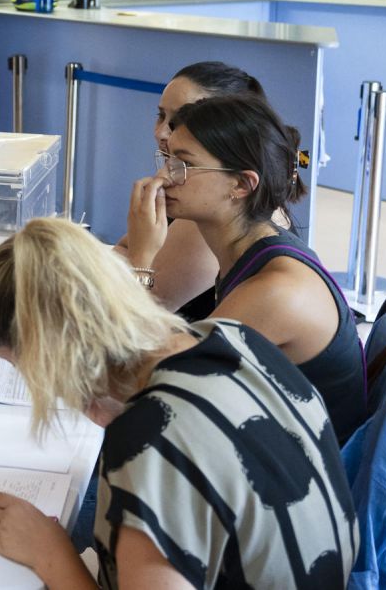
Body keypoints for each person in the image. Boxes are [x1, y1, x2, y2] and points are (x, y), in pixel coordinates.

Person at [0, 217, 357, 589]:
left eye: (21, 365)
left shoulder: (146, 442)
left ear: (51, 354)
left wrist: (48, 552)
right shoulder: (233, 338)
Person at [128, 93, 366, 443]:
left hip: (300, 486)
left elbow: (150, 381)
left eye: (183, 164)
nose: (164, 177)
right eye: (166, 159)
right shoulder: (247, 252)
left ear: (241, 184)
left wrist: (141, 259)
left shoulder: (276, 290)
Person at [116, 61, 267, 313]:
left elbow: (133, 318)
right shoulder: (196, 189)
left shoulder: (211, 208)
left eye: (182, 120)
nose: (163, 133)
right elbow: (124, 248)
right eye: (161, 116)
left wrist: (139, 259)